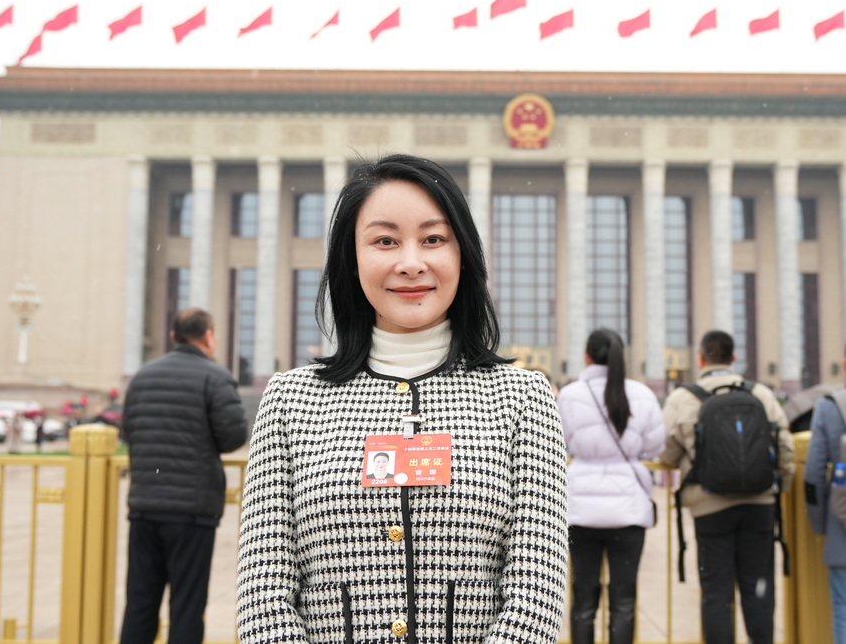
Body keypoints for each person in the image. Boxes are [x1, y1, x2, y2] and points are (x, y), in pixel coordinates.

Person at [237, 154, 568, 644]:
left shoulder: (523, 399)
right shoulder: (291, 401)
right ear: (352, 260)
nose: (411, 263)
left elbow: (535, 596)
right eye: (385, 241)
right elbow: (263, 596)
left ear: (463, 255)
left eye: (433, 239)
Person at [120, 307, 247, 644]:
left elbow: (128, 431)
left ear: (173, 337)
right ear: (208, 336)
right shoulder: (214, 377)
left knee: (140, 603)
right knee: (187, 607)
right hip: (192, 512)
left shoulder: (143, 377)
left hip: (145, 507)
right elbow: (233, 437)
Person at [660, 330, 794, 644]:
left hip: (710, 507)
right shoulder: (761, 394)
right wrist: (780, 488)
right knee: (758, 589)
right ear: (734, 358)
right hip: (759, 505)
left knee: (716, 592)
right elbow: (785, 449)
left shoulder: (682, 398)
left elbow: (666, 452)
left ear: (701, 359)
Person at [557, 328, 665, 644]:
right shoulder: (642, 394)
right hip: (628, 510)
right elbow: (655, 445)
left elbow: (559, 441)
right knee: (624, 598)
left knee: (583, 599)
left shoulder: (570, 395)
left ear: (587, 357)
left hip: (581, 509)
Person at [805, 342, 846, 644]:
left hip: (841, 528)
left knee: (843, 610)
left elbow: (813, 474)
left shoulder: (830, 407)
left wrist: (820, 525)